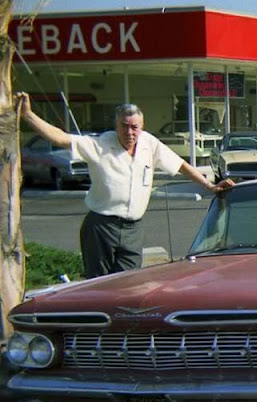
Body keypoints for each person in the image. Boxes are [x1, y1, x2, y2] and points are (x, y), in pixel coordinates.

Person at [16, 92, 234, 278]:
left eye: (134, 127)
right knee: (99, 284)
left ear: (142, 126)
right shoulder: (100, 144)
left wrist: (209, 186)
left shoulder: (149, 143)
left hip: (133, 229)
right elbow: (61, 138)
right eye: (124, 126)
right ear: (116, 125)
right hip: (101, 226)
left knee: (129, 282)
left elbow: (181, 165)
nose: (130, 132)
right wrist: (28, 114)